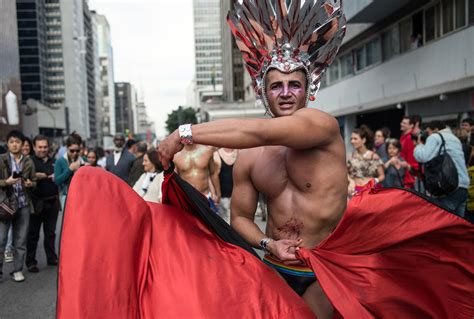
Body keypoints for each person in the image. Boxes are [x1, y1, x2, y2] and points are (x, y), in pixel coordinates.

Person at [159, 4, 347, 316]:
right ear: (264, 92)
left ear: (308, 90)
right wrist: (266, 244)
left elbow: (261, 131)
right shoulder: (250, 154)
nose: (285, 93)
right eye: (276, 86)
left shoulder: (321, 126)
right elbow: (242, 218)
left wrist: (185, 132)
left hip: (323, 268)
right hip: (274, 266)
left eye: (294, 85)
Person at [0, 130, 36, 282]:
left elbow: (34, 181)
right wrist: (5, 182)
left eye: (17, 142)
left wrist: (30, 184)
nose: (15, 145)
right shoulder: (1, 159)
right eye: (11, 142)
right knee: (1, 240)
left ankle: (17, 270)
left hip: (23, 204)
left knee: (20, 241)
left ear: (23, 144)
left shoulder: (28, 161)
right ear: (7, 144)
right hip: (5, 204)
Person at [414, 121, 469, 218]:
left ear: (435, 129)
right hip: (463, 186)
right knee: (459, 226)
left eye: (428, 132)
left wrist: (419, 145)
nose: (428, 135)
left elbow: (423, 156)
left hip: (450, 186)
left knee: (442, 221)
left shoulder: (435, 137)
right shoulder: (454, 138)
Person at [26, 135, 60, 273]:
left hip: (52, 201)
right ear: (34, 147)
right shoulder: (29, 162)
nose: (43, 149)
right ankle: (30, 262)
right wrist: (35, 177)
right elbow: (24, 179)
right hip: (36, 203)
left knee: (50, 233)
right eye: (40, 147)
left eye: (45, 147)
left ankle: (51, 258)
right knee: (33, 234)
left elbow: (61, 177)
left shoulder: (55, 161)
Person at [174, 144, 221, 213]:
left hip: (205, 197)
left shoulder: (207, 151)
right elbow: (175, 180)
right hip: (187, 199)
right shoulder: (175, 156)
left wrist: (218, 193)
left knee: (209, 223)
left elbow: (213, 173)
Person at [347, 125, 385, 194]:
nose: (352, 141)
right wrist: (351, 181)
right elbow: (345, 173)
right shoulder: (350, 156)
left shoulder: (374, 156)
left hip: (371, 190)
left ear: (363, 140)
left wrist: (375, 180)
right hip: (355, 190)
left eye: (355, 139)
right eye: (351, 139)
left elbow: (382, 176)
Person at [54, 133, 84, 209]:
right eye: (72, 150)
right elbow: (57, 181)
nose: (75, 153)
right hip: (67, 197)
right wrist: (70, 169)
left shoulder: (83, 160)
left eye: (77, 151)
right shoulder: (60, 161)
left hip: (83, 197)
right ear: (67, 148)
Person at [213, 148, 238, 221]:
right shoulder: (216, 155)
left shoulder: (240, 153)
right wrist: (215, 193)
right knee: (224, 221)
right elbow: (213, 176)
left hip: (237, 196)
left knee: (236, 222)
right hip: (223, 196)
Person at [400, 116, 419, 189]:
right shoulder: (403, 137)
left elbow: (412, 158)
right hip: (405, 174)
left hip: (410, 176)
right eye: (402, 122)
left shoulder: (410, 138)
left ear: (411, 125)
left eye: (404, 123)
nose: (401, 124)